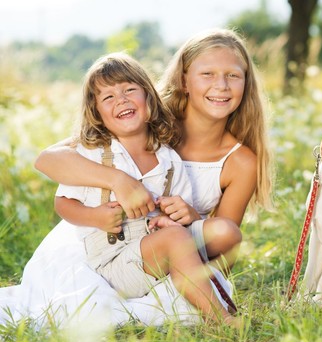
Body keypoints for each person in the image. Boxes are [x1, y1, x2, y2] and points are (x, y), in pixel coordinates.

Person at [35, 29, 272, 275]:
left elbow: (224, 252)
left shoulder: (240, 162)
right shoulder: (149, 121)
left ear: (246, 82)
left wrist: (192, 218)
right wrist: (119, 181)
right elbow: (48, 160)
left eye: (233, 75)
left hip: (173, 254)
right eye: (207, 74)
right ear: (184, 81)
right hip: (107, 239)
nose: (221, 86)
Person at [56, 51, 236, 324]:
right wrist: (95, 217)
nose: (122, 100)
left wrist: (176, 215)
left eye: (130, 90)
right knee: (176, 240)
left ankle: (196, 287)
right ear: (96, 112)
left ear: (148, 99)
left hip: (151, 251)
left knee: (220, 232)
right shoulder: (93, 154)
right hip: (112, 261)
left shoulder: (168, 159)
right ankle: (221, 318)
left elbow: (183, 221)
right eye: (109, 97)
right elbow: (63, 203)